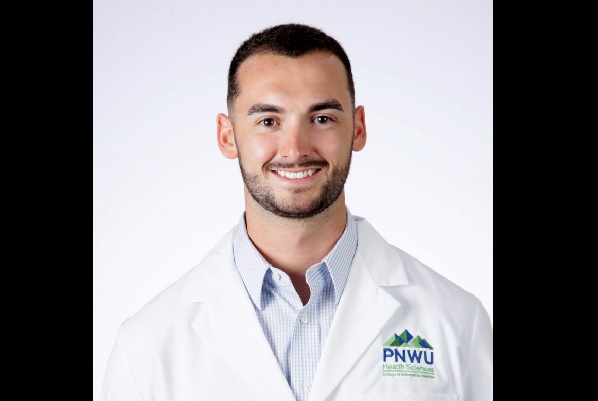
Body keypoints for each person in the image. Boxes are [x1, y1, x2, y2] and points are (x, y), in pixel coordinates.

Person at [100, 23, 493, 401]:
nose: (294, 148)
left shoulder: (457, 323)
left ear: (357, 128)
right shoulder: (147, 346)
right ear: (227, 135)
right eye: (268, 121)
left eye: (322, 118)